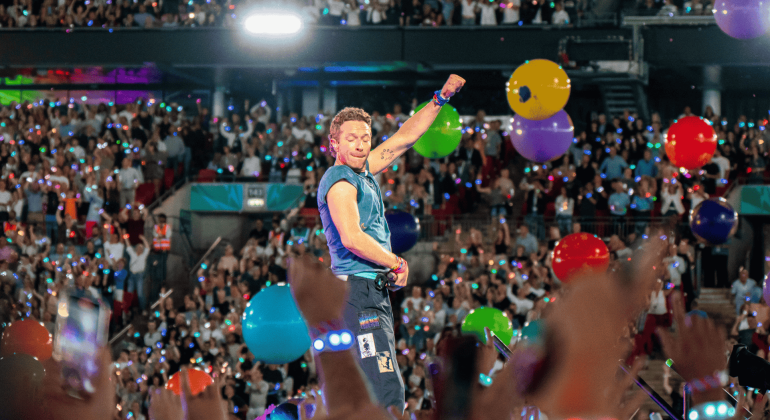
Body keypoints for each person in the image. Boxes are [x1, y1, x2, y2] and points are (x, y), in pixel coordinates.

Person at [316, 74, 465, 413]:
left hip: (368, 293)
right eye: (351, 138)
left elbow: (404, 138)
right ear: (334, 144)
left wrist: (440, 99)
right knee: (386, 392)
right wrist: (396, 263)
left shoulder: (362, 171)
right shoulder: (339, 180)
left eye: (365, 137)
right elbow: (352, 238)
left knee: (375, 390)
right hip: (357, 292)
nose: (359, 143)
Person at [149, 213, 171, 305]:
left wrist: (161, 234)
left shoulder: (167, 228)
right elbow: (156, 235)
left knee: (163, 269)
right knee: (156, 271)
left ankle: (163, 281)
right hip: (156, 252)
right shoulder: (155, 227)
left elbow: (166, 235)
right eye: (160, 221)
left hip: (164, 252)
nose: (161, 222)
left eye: (163, 221)